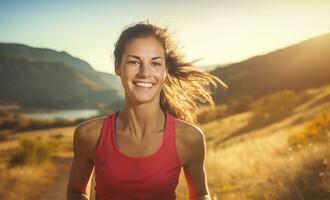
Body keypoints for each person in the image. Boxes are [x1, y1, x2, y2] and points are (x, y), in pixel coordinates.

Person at [67, 21, 227, 200]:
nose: (145, 72)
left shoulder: (190, 138)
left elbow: (201, 195)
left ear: (165, 70)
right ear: (118, 67)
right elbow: (76, 191)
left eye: (155, 63)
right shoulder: (89, 135)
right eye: (134, 61)